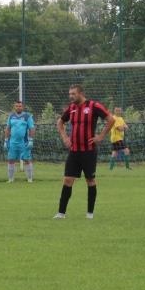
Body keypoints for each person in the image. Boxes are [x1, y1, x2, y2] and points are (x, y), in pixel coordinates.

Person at [54, 84, 114, 220]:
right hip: (74, 151)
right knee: (67, 180)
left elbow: (111, 119)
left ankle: (90, 213)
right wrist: (65, 137)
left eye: (73, 94)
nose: (71, 96)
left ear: (81, 93)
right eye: (70, 94)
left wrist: (101, 136)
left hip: (89, 151)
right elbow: (60, 122)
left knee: (90, 180)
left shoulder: (94, 106)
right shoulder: (71, 108)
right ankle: (61, 213)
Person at [3, 100, 35, 183]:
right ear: (14, 107)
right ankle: (10, 179)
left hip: (24, 142)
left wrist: (31, 140)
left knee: (27, 160)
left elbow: (31, 128)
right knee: (11, 160)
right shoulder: (11, 116)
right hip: (12, 142)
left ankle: (30, 179)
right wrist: (6, 141)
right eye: (16, 106)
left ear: (23, 107)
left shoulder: (27, 116)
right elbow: (8, 129)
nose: (18, 107)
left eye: (20, 106)